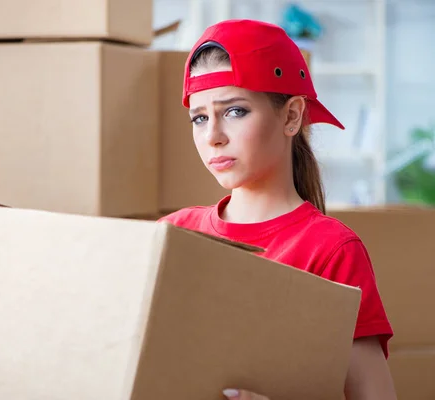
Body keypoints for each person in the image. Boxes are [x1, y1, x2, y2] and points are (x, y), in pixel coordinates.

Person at [158, 19, 397, 400]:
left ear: (291, 116)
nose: (212, 136)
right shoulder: (173, 234)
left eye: (234, 111)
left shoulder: (331, 251)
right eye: (199, 117)